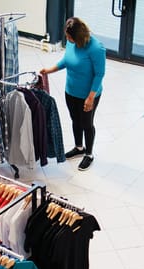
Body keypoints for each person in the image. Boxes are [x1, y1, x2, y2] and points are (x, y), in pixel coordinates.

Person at [39, 17, 106, 171]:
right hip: (71, 91)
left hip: (88, 94)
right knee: (75, 120)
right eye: (67, 36)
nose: (67, 39)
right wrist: (49, 70)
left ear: (79, 36)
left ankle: (88, 154)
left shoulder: (96, 48)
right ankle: (79, 148)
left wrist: (90, 97)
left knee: (87, 123)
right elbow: (66, 61)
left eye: (70, 37)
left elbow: (99, 74)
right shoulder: (71, 42)